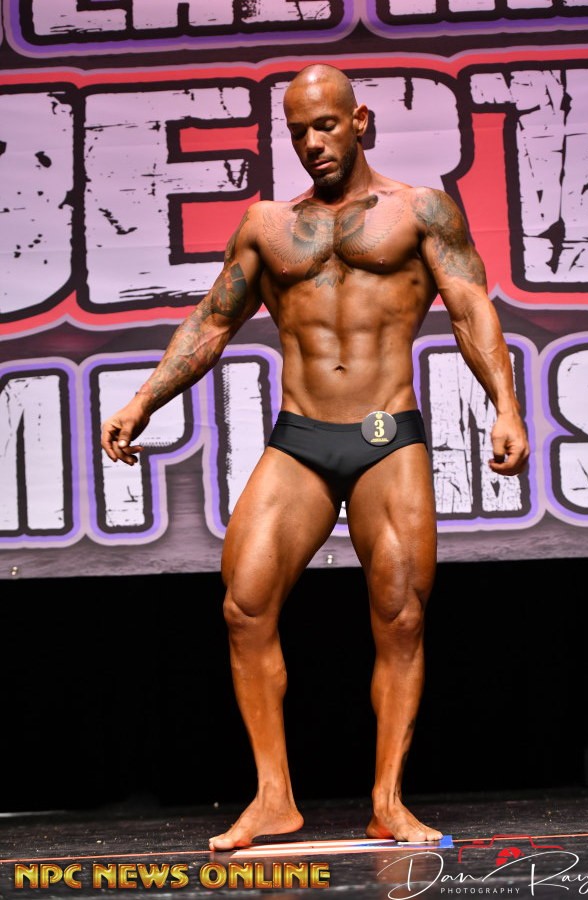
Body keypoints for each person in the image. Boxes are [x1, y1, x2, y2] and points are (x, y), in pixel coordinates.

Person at [101, 63, 529, 850]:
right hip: (300, 437)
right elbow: (212, 322)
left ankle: (388, 800)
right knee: (243, 605)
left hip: (385, 436)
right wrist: (142, 400)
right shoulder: (268, 225)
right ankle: (274, 798)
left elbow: (471, 307)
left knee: (401, 615)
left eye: (326, 125)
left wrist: (505, 405)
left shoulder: (420, 210)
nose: (312, 143)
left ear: (360, 122)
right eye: (298, 131)